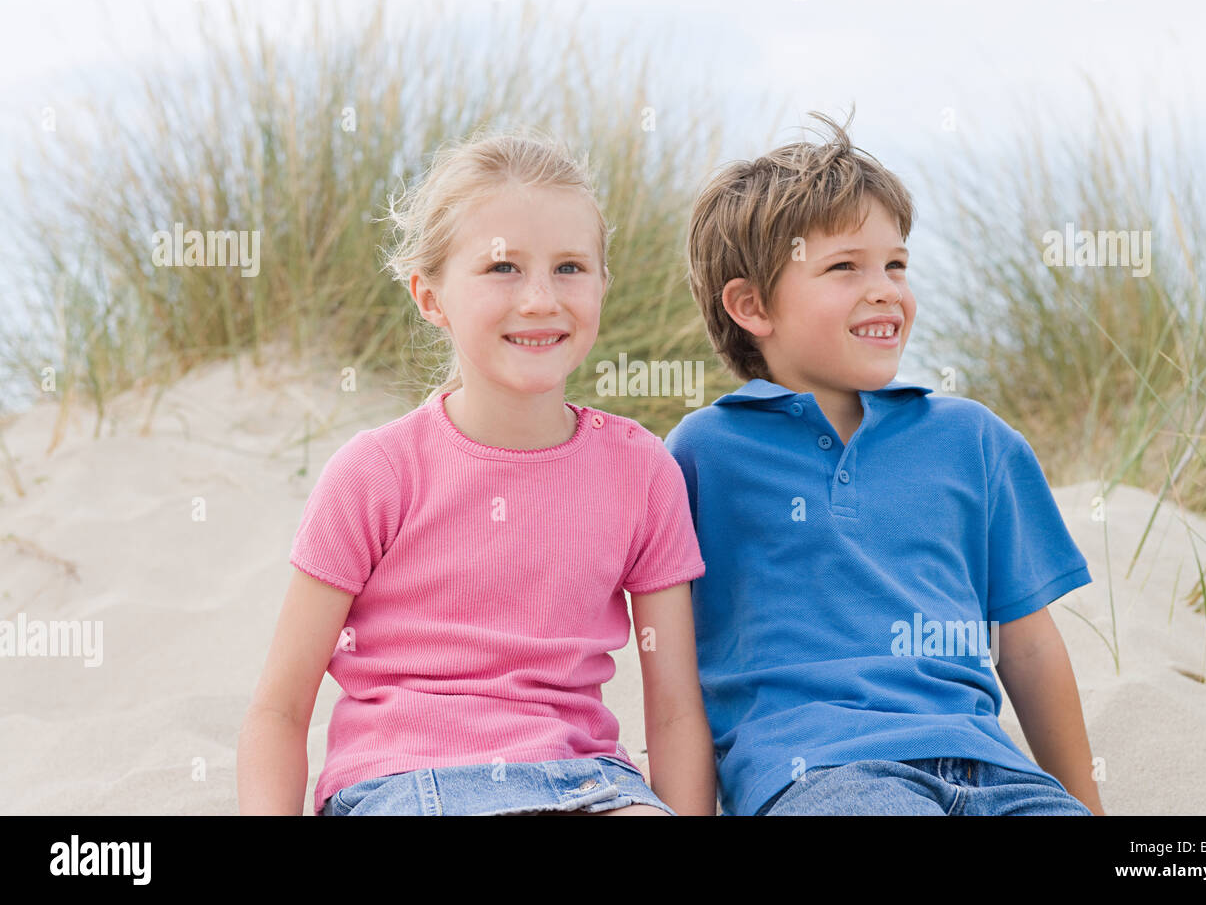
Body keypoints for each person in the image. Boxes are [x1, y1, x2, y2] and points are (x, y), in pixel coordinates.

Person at [237, 127, 715, 816]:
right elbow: (279, 710)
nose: (541, 299)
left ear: (604, 286)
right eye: (502, 268)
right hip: (408, 783)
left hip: (590, 784)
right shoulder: (374, 473)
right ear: (431, 297)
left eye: (571, 268)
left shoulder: (642, 469)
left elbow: (673, 714)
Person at [664, 108, 1105, 816]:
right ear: (752, 306)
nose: (885, 289)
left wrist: (1086, 807)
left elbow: (1027, 648)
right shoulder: (701, 455)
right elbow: (672, 669)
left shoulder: (972, 439)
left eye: (896, 264)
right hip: (822, 772)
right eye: (845, 267)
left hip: (990, 768)